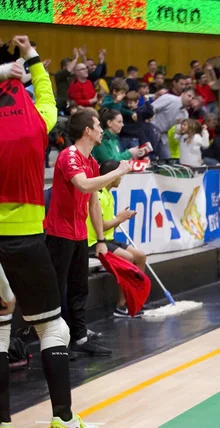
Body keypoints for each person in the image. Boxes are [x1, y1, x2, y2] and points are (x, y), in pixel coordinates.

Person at [0, 34, 99, 428]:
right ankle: (63, 418)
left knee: (1, 331)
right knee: (51, 327)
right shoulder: (37, 118)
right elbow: (47, 94)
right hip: (25, 236)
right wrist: (32, 57)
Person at [45, 108, 132, 358]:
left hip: (79, 234)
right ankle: (54, 341)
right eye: (98, 126)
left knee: (79, 288)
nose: (101, 130)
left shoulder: (92, 161)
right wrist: (117, 172)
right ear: (87, 130)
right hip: (60, 233)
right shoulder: (69, 156)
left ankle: (80, 337)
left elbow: (93, 202)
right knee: (57, 289)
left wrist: (101, 240)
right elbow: (82, 184)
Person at [86, 160, 147, 317]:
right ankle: (121, 305)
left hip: (109, 240)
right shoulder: (98, 195)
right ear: (112, 176)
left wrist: (121, 217)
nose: (121, 179)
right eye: (120, 176)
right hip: (94, 243)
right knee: (128, 258)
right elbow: (101, 226)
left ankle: (135, 299)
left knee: (140, 256)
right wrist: (121, 218)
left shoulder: (108, 194)